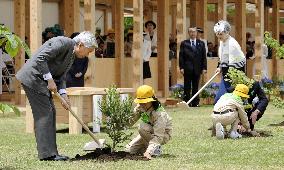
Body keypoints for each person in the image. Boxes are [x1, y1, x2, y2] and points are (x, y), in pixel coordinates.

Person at [15, 31, 97, 161]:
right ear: (81, 45)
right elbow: (41, 58)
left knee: (51, 112)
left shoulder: (72, 55)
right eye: (89, 51)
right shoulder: (62, 42)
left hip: (41, 80)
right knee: (45, 113)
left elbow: (62, 76)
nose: (89, 54)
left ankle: (52, 153)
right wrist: (49, 79)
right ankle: (47, 155)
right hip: (32, 78)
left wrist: (64, 95)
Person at [125, 85, 172, 160]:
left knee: (142, 127)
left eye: (144, 102)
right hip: (147, 133)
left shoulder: (160, 114)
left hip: (162, 135)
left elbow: (158, 136)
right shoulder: (140, 107)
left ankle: (155, 148)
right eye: (140, 102)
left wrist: (149, 152)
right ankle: (147, 147)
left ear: (152, 100)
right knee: (128, 150)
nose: (142, 104)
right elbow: (130, 122)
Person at [213, 20, 246, 104]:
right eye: (217, 34)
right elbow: (223, 57)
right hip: (226, 73)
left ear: (227, 32)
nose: (218, 36)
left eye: (220, 34)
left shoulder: (232, 44)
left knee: (234, 99)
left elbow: (233, 63)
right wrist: (219, 67)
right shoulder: (222, 41)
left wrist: (232, 83)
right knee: (218, 100)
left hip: (235, 73)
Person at [179, 27, 207, 107]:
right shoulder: (184, 43)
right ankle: (187, 102)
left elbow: (203, 57)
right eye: (191, 32)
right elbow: (181, 56)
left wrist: (204, 68)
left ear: (196, 33)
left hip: (197, 68)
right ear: (188, 33)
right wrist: (181, 67)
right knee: (187, 86)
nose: (192, 33)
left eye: (194, 32)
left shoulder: (201, 43)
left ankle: (195, 103)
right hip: (187, 68)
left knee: (196, 86)